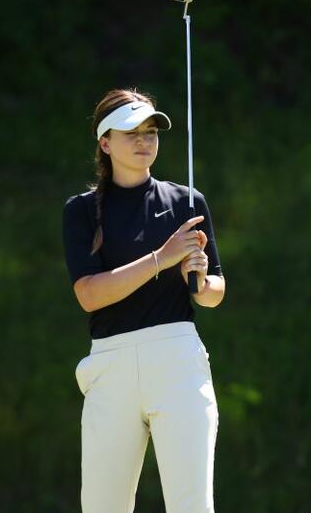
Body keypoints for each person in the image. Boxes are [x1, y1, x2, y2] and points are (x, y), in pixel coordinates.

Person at [61, 87, 225, 512]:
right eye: (131, 132)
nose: (144, 141)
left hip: (178, 362)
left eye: (151, 131)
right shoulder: (81, 211)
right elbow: (89, 295)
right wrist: (161, 258)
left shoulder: (187, 202)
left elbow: (213, 293)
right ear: (105, 143)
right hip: (111, 365)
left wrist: (198, 279)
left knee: (192, 505)